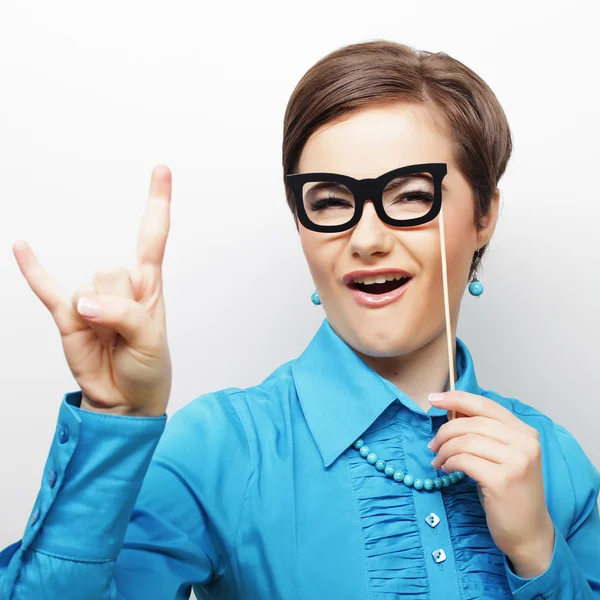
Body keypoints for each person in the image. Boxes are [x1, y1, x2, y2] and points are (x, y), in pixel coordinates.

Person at [1, 39, 598, 600]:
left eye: (412, 195)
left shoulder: (556, 460)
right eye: (331, 201)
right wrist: (114, 423)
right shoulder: (224, 448)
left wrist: (538, 552)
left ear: (485, 213)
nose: (366, 239)